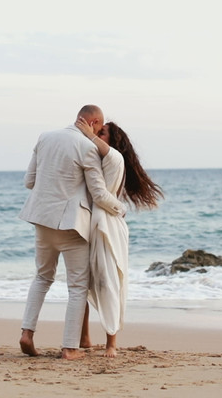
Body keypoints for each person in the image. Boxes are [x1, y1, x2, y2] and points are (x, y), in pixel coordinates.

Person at [18, 105, 125, 360]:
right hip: (71, 225)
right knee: (77, 286)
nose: (98, 133)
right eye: (100, 128)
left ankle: (27, 333)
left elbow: (29, 181)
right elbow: (99, 194)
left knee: (42, 278)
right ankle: (69, 348)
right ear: (95, 121)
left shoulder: (45, 137)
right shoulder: (87, 146)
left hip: (41, 219)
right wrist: (119, 209)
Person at [75, 118, 163, 358]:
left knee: (109, 281)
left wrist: (86, 132)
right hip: (89, 222)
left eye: (102, 133)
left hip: (108, 224)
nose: (96, 134)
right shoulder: (95, 159)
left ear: (113, 141)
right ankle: (83, 337)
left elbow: (102, 195)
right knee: (81, 281)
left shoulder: (115, 157)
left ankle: (111, 343)